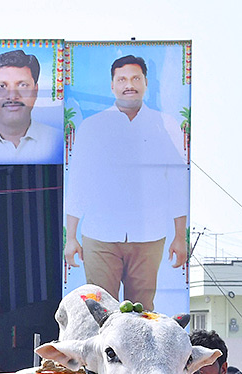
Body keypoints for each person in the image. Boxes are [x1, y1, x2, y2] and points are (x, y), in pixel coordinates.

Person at [63, 55, 188, 310]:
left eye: (135, 78)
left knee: (142, 313)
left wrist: (180, 237)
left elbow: (177, 182)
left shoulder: (166, 125)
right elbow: (79, 181)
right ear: (112, 85)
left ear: (145, 84)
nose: (128, 84)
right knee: (100, 312)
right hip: (100, 234)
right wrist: (71, 237)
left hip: (148, 235)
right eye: (122, 79)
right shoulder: (92, 126)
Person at [0, 49, 60, 162]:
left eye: (22, 85)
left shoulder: (57, 140)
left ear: (36, 90)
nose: (12, 96)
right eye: (2, 86)